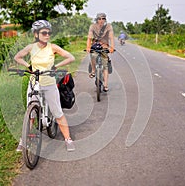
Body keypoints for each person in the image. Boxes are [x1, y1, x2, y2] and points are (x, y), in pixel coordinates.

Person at [14, 20, 76, 152]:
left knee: (57, 112)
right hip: (34, 82)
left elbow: (70, 57)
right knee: (30, 113)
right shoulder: (31, 48)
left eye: (49, 32)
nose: (47, 35)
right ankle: (23, 140)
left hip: (49, 83)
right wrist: (28, 66)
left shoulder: (52, 47)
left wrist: (56, 67)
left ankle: (68, 139)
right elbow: (17, 57)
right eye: (44, 32)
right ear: (36, 34)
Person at [86, 13, 114, 92]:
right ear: (96, 19)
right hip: (95, 46)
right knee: (92, 55)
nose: (101, 20)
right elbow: (89, 38)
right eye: (99, 18)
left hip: (104, 47)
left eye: (103, 18)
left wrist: (111, 47)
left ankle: (105, 85)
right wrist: (88, 47)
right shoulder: (92, 26)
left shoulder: (108, 26)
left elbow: (111, 38)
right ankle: (94, 70)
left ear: (105, 20)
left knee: (105, 65)